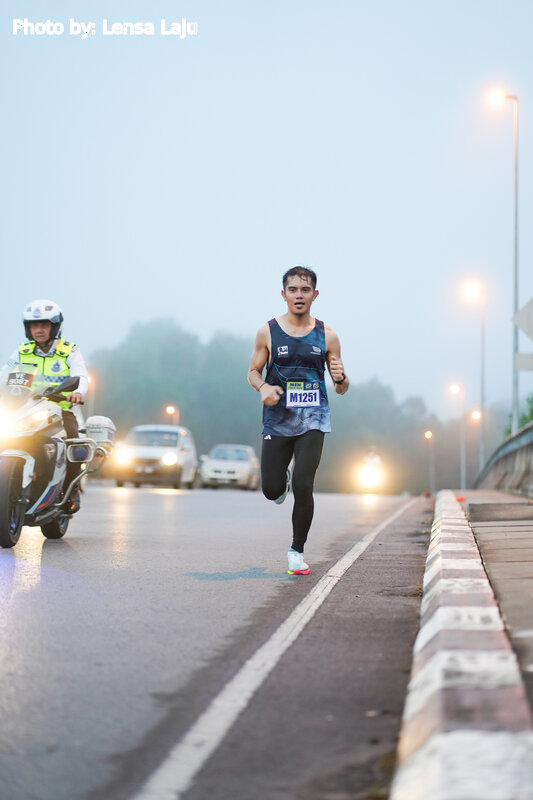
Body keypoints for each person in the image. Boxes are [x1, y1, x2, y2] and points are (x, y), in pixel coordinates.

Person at [248, 267, 349, 575]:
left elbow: (341, 388)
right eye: (293, 290)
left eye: (305, 290)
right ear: (284, 295)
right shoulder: (267, 331)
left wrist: (341, 378)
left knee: (305, 484)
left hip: (313, 419)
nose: (299, 295)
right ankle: (281, 481)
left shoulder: (328, 336)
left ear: (315, 295)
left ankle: (297, 551)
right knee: (271, 490)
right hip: (277, 419)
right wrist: (263, 388)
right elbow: (252, 371)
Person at [5, 299, 89, 513]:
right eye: (34, 325)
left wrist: (78, 392)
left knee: (73, 445)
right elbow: (5, 373)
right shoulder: (22, 351)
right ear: (28, 328)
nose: (39, 330)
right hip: (26, 409)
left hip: (60, 409)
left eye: (44, 325)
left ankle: (72, 489)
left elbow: (80, 375)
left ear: (55, 327)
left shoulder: (68, 350)